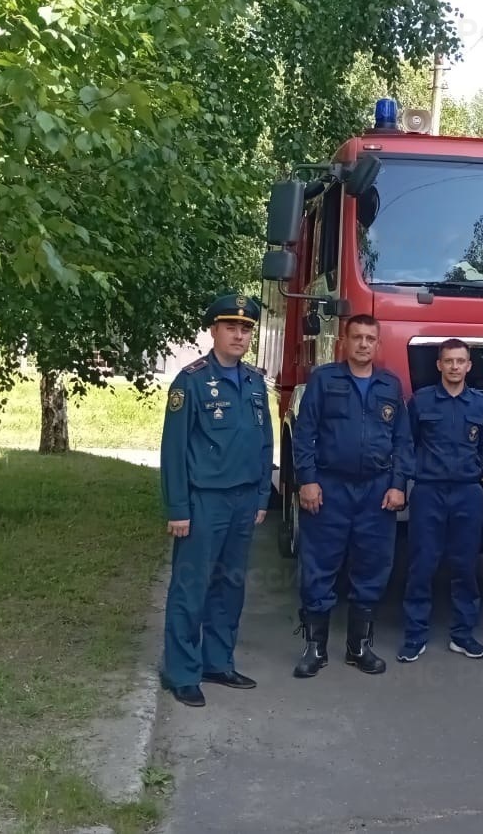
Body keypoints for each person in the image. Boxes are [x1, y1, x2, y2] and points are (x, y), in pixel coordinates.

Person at [158, 293, 274, 707]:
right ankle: (181, 671)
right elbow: (173, 451)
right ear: (214, 330)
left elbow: (264, 442)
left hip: (244, 502)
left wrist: (263, 495)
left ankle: (217, 662)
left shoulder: (255, 382)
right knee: (191, 588)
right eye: (232, 327)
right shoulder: (191, 381)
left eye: (246, 329)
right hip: (204, 502)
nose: (239, 335)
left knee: (230, 586)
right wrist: (178, 508)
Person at [291, 314, 414, 678]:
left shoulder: (390, 386)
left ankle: (359, 647)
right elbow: (304, 434)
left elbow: (403, 442)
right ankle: (315, 648)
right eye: (357, 337)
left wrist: (398, 484)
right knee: (319, 566)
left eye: (370, 338)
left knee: (372, 566)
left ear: (378, 345)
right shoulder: (325, 380)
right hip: (330, 488)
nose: (363, 344)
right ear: (344, 342)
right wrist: (307, 480)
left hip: (377, 491)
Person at [397, 339, 483, 663]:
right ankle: (414, 635)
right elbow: (406, 443)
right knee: (422, 564)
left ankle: (463, 634)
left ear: (469, 366)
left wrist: (471, 474)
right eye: (448, 361)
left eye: (461, 361)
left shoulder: (481, 405)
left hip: (467, 493)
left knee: (466, 565)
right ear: (439, 365)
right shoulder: (422, 402)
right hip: (429, 492)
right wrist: (417, 474)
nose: (455, 367)